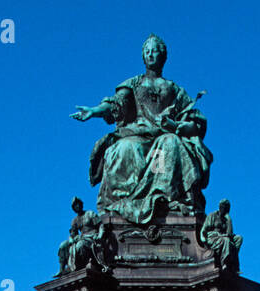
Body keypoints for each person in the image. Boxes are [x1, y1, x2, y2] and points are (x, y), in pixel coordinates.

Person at [71, 35, 213, 224]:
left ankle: (162, 196)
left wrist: (179, 126)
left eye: (154, 50)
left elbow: (193, 120)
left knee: (170, 144)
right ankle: (124, 202)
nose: (150, 54)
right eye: (147, 51)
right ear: (142, 57)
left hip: (163, 136)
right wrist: (94, 111)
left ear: (163, 56)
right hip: (137, 135)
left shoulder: (174, 89)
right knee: (124, 149)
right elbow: (115, 104)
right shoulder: (133, 84)